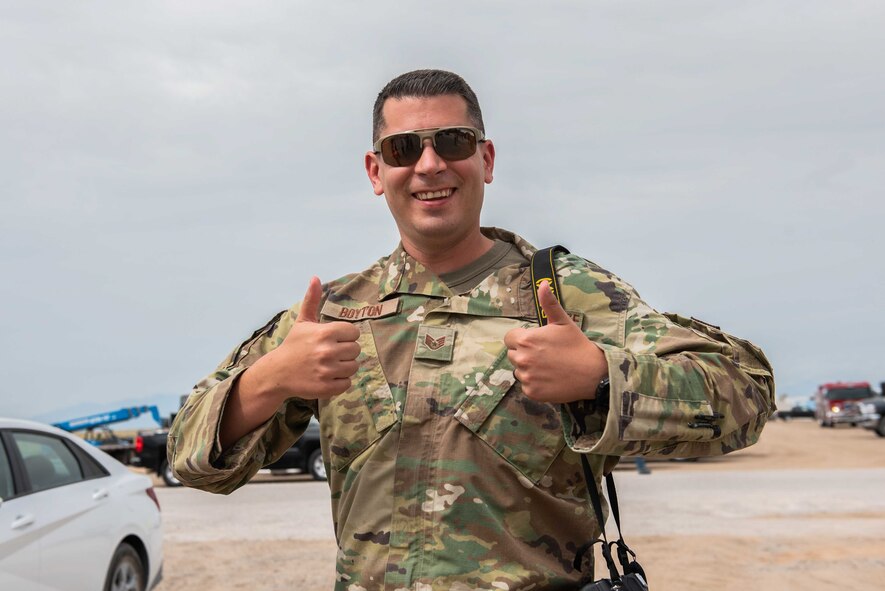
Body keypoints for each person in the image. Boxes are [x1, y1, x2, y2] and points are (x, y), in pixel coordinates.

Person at [168, 69, 775, 590]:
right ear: (376, 171)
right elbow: (189, 457)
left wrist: (597, 377)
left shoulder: (565, 294)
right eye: (404, 149)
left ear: (485, 159)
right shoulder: (332, 313)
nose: (430, 164)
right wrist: (269, 380)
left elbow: (743, 391)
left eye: (452, 142)